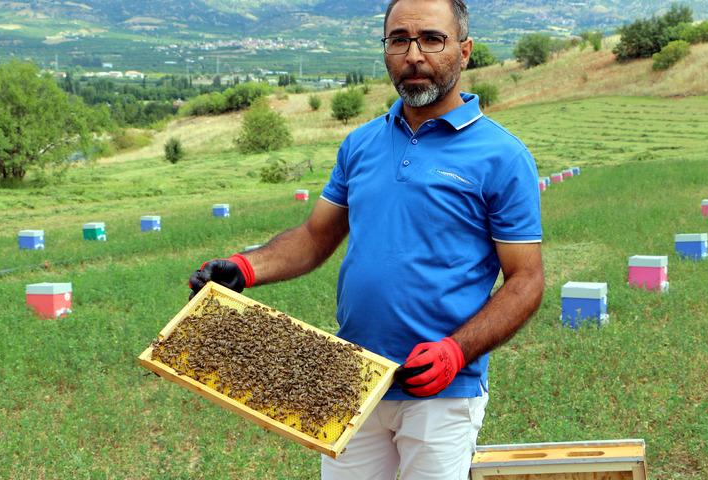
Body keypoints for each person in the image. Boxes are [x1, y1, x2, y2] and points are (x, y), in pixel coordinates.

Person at [189, 0, 544, 477]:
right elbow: (316, 237)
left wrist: (456, 351)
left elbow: (526, 281)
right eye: (399, 39)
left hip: (442, 394)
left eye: (432, 39)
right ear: (385, 50)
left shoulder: (502, 155)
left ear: (464, 51)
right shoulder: (360, 144)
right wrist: (247, 266)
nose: (414, 54)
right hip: (351, 380)